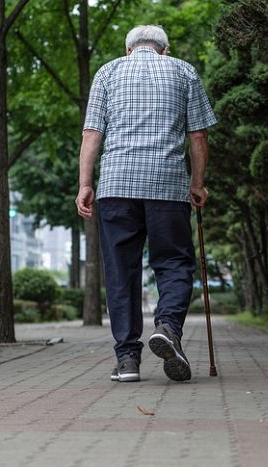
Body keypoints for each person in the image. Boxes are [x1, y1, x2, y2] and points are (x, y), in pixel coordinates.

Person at [75, 25, 217, 383]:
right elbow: (198, 135)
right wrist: (197, 184)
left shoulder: (107, 71)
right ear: (164, 50)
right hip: (167, 186)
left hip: (116, 187)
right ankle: (168, 326)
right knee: (173, 263)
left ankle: (127, 361)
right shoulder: (184, 70)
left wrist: (85, 184)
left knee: (121, 272)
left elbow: (92, 133)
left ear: (128, 50)